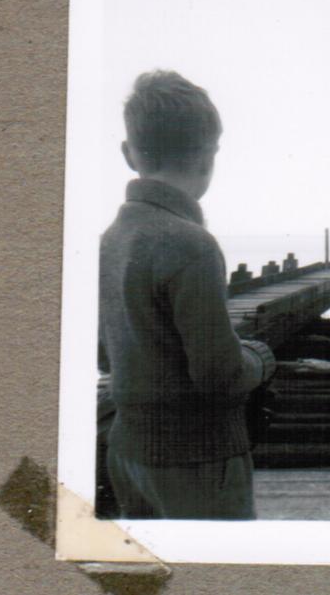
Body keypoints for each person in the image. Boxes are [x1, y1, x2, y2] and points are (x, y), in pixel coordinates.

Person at [98, 70, 275, 519]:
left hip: (128, 454)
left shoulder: (111, 238)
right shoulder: (191, 244)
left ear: (127, 153)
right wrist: (259, 357)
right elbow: (219, 376)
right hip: (197, 460)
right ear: (209, 154)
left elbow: (105, 353)